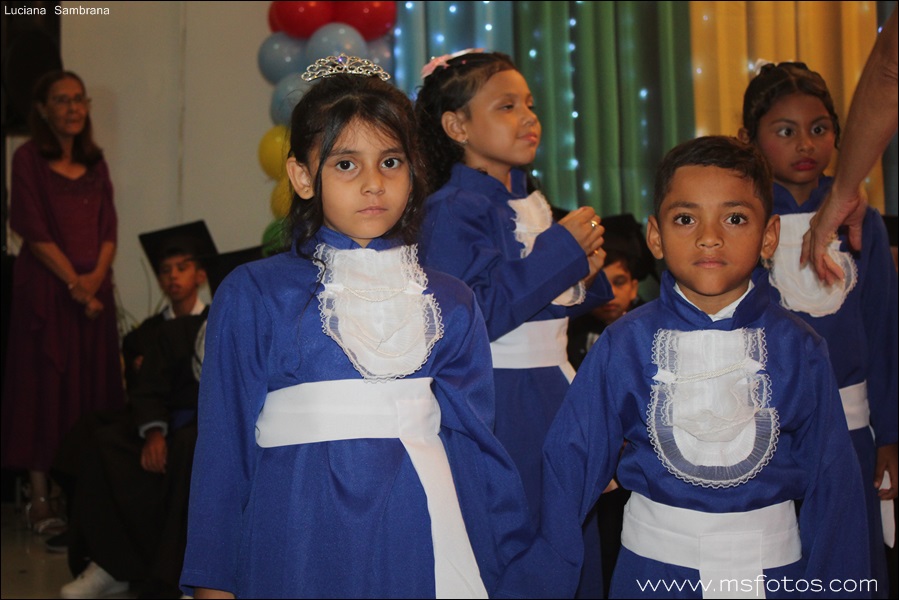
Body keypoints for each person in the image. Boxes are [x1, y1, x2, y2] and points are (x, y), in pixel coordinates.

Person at [180, 54, 537, 599]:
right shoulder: (254, 294)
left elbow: (474, 446)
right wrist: (211, 581)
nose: (373, 184)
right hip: (297, 531)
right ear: (302, 176)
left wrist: (503, 560)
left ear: (414, 171)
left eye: (391, 162)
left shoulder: (452, 301)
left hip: (421, 531)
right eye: (346, 164)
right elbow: (223, 450)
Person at [524, 136, 870, 598]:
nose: (710, 237)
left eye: (735, 218)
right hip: (651, 577)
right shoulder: (624, 344)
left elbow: (835, 490)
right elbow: (569, 468)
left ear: (769, 236)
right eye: (686, 219)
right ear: (655, 236)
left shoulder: (801, 349)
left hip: (777, 577)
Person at [414, 51, 611, 598]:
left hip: (555, 385)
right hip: (501, 398)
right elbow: (472, 316)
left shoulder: (528, 199)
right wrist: (561, 252)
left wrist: (584, 272)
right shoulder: (450, 209)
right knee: (519, 542)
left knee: (572, 527)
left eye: (530, 104)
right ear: (456, 126)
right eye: (506, 106)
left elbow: (541, 302)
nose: (529, 117)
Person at [740, 61, 898, 598]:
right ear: (750, 139)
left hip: (853, 434)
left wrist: (890, 434)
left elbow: (885, 331)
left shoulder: (861, 221)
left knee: (848, 561)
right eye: (785, 131)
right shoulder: (743, 221)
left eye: (819, 128)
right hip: (767, 436)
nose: (806, 144)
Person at [56, 225, 214, 599]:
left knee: (190, 449)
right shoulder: (146, 333)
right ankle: (110, 565)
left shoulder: (216, 321)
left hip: (200, 423)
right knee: (104, 443)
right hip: (160, 420)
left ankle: (184, 576)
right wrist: (153, 431)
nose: (173, 277)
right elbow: (145, 390)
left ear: (200, 275)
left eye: (182, 267)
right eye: (166, 270)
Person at [0, 69, 123, 534]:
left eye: (78, 99)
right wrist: (75, 284)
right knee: (43, 391)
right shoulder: (27, 159)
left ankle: (79, 496)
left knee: (88, 394)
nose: (73, 108)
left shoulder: (96, 161)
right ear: (43, 110)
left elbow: (109, 229)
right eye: (61, 100)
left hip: (93, 297)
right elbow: (31, 229)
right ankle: (39, 499)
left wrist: (93, 282)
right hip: (47, 295)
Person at [802, 5, 898, 284]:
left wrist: (842, 192)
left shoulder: (870, 223)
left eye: (818, 129)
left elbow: (891, 69)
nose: (805, 144)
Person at [567, 213, 657, 371]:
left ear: (633, 288)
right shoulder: (570, 333)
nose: (610, 294)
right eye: (598, 285)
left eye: (619, 282)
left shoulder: (653, 330)